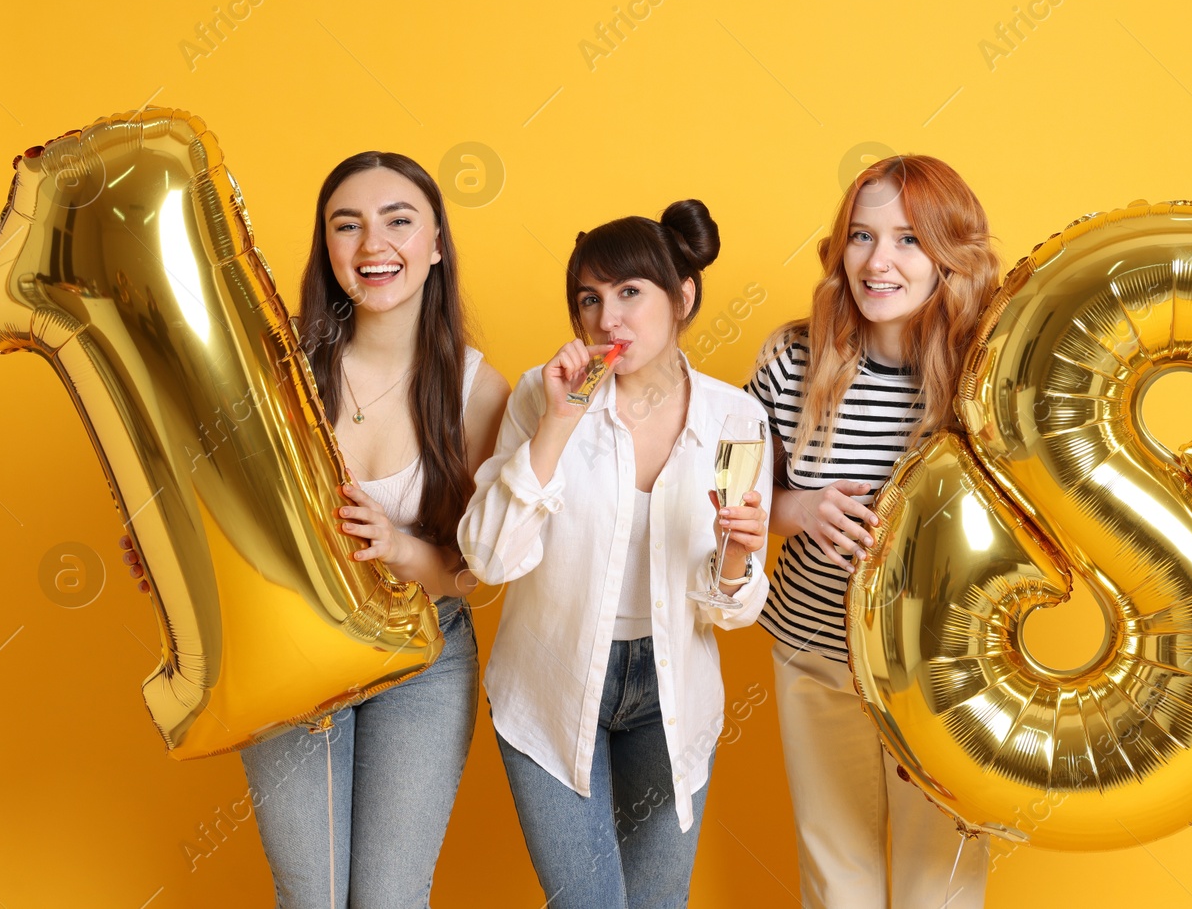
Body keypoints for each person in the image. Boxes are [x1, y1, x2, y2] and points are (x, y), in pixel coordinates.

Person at [745, 154, 1192, 909]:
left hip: (949, 681)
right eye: (860, 235)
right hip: (817, 655)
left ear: (949, 253)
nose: (877, 261)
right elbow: (734, 493)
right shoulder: (793, 361)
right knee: (836, 879)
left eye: (908, 239)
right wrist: (801, 509)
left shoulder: (994, 366)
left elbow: (1137, 490)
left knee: (938, 889)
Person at [124, 151, 510, 908]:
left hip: (426, 657)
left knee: (391, 898)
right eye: (347, 225)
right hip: (296, 652)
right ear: (326, 250)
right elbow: (216, 501)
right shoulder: (275, 363)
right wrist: (169, 549)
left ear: (436, 245)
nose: (374, 244)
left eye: (399, 221)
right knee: (312, 895)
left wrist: (398, 548)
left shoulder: (479, 389)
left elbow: (478, 569)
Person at [458, 199, 771, 909]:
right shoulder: (547, 395)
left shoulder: (735, 419)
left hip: (671, 695)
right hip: (551, 682)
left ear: (682, 296)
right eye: (589, 299)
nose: (607, 318)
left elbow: (731, 609)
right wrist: (556, 427)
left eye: (631, 292)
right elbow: (488, 559)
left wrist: (734, 555)